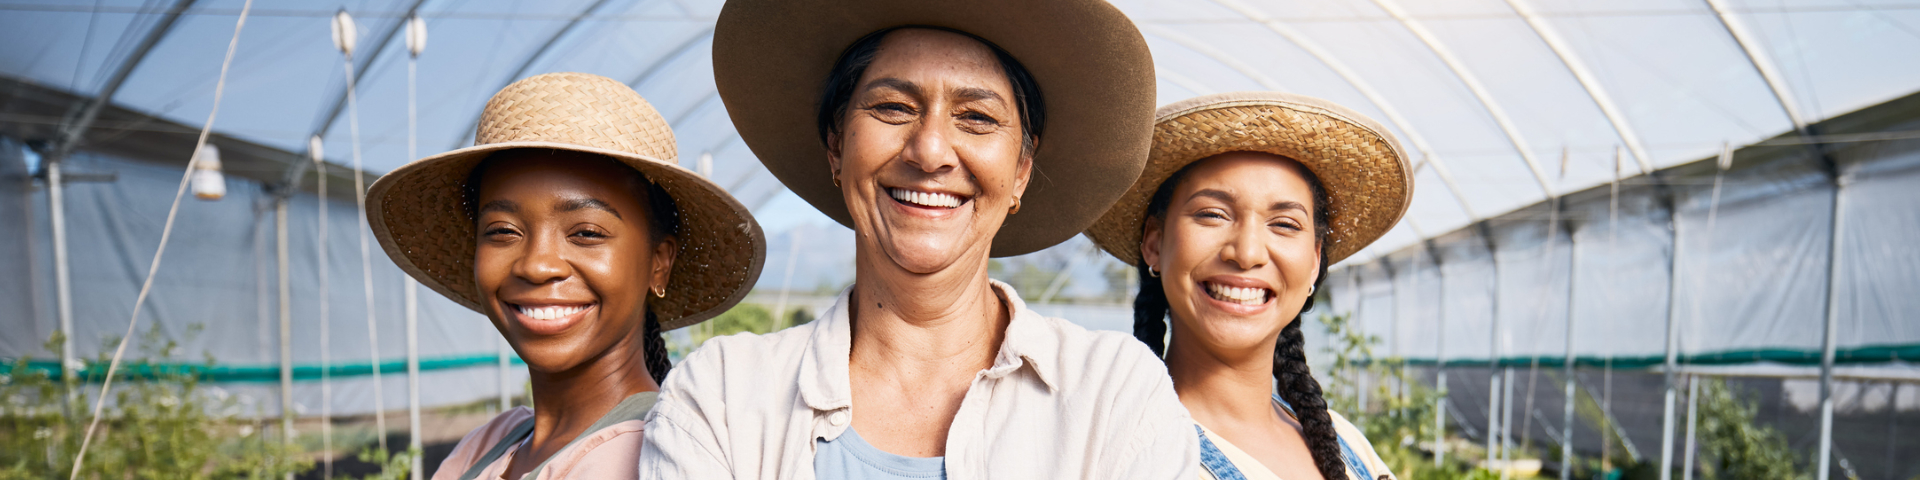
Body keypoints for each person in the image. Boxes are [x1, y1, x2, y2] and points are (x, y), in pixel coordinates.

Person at [639, 0, 1196, 478]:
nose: (929, 151)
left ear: (1021, 170)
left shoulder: (1112, 393)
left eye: (976, 117)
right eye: (892, 107)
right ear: (836, 147)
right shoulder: (721, 395)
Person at [365, 72, 766, 480]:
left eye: (586, 233)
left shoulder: (661, 457)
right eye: (503, 231)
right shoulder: (491, 442)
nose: (537, 265)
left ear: (658, 262)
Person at [1084, 92, 1414, 480]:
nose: (1247, 252)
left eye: (1285, 224)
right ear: (1154, 243)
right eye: (1212, 214)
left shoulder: (1346, 442)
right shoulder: (1120, 454)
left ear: (1313, 262)